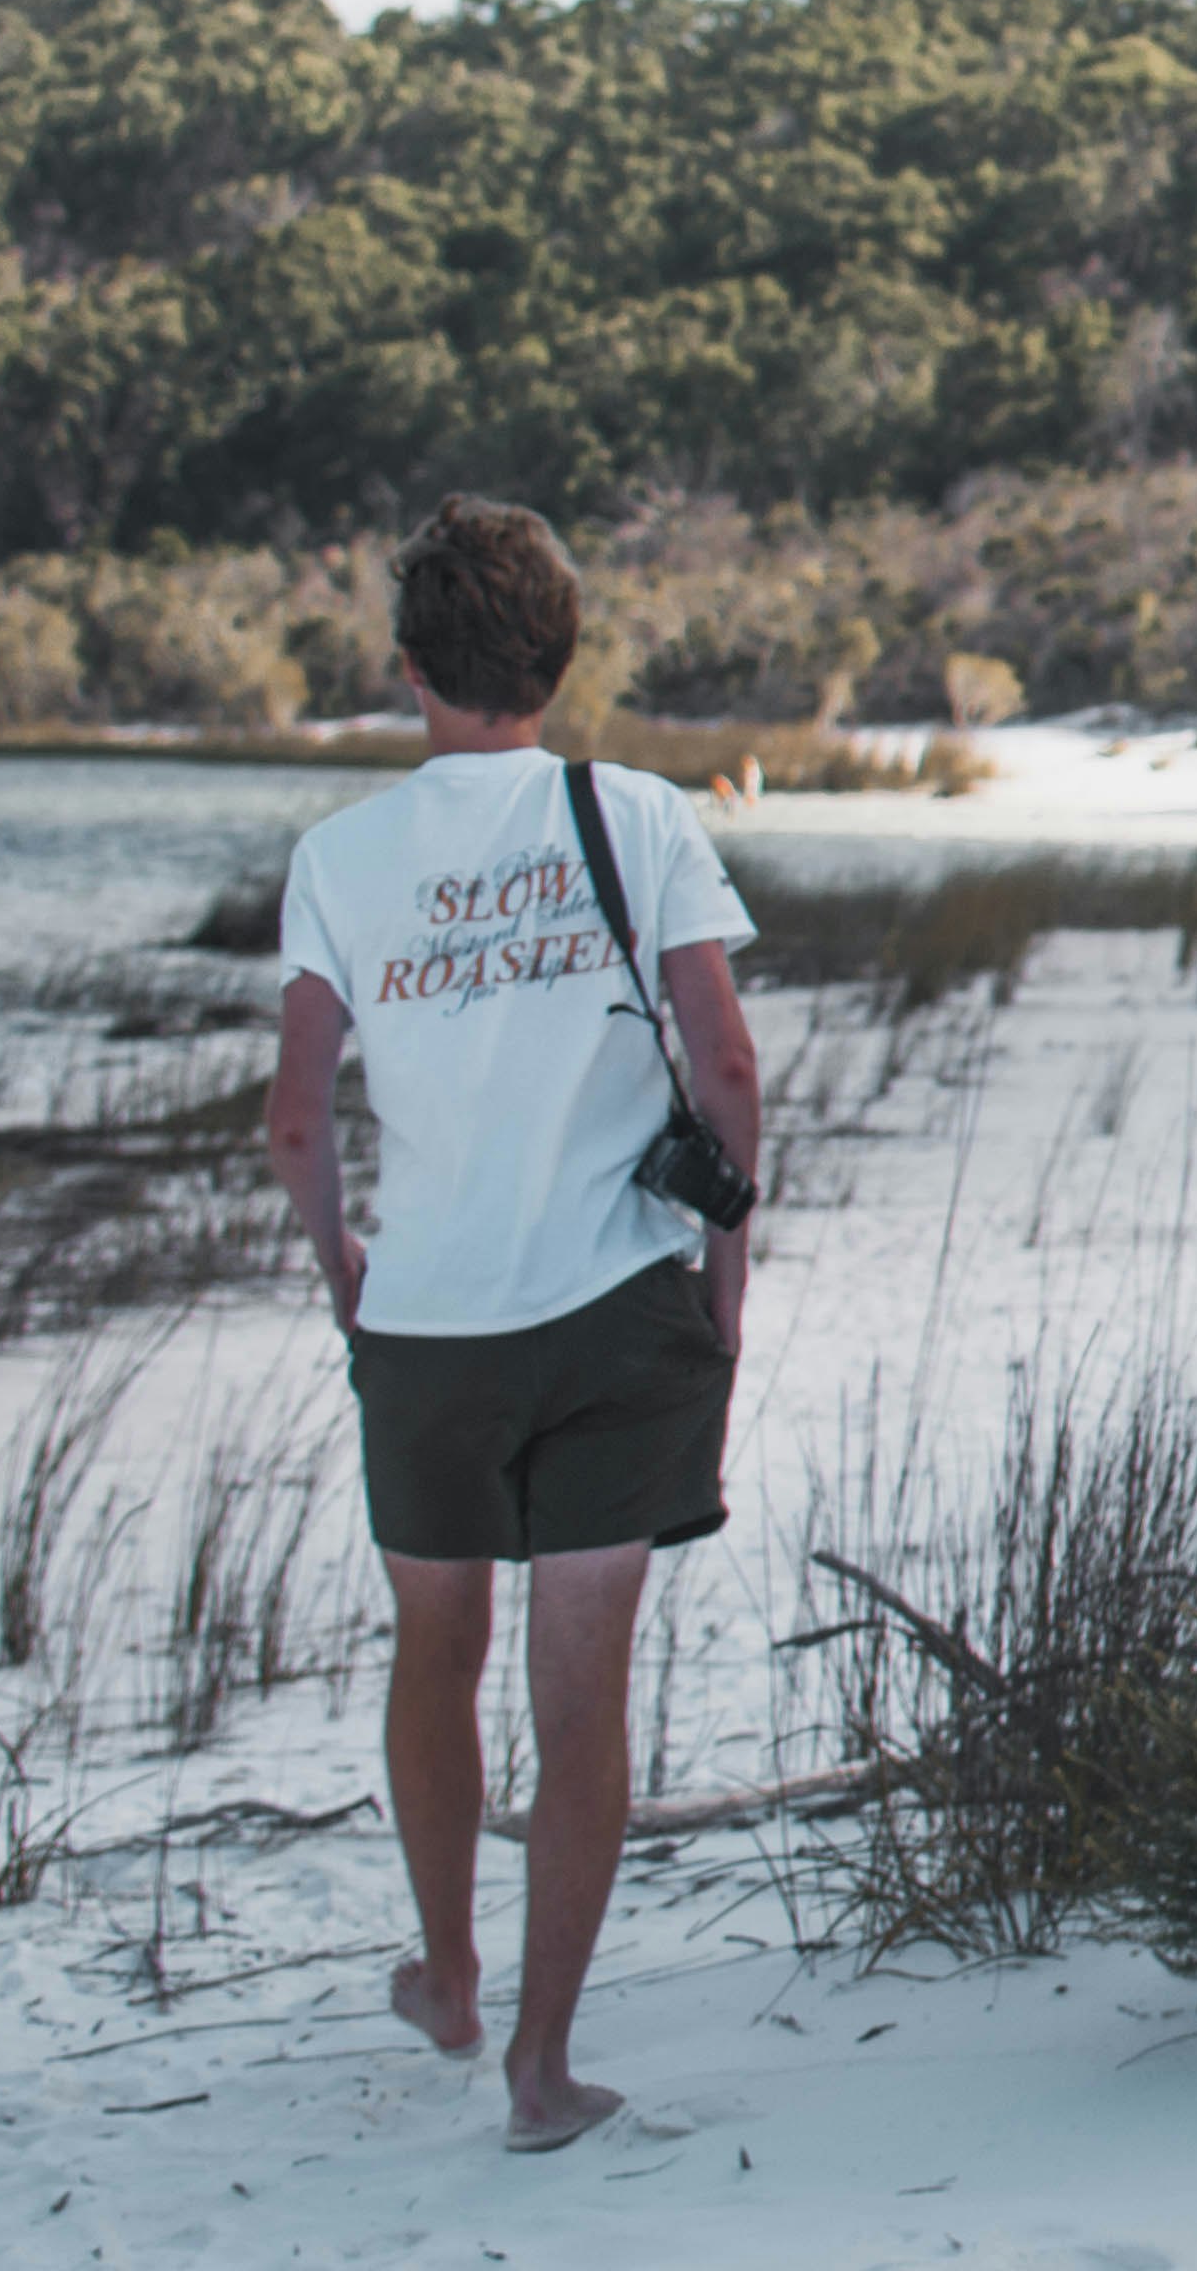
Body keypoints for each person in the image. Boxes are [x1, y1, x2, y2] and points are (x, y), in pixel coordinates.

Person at [256, 499, 763, 2155]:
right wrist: (728, 1280)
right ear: (557, 658)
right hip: (620, 1311)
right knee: (581, 1694)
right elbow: (730, 1068)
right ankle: (542, 2070)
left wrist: (342, 1260)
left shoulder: (342, 860)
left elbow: (297, 1114)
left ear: (410, 671)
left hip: (432, 1327)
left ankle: (453, 1974)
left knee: (435, 1648)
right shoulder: (638, 817)